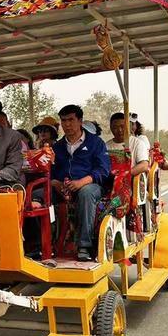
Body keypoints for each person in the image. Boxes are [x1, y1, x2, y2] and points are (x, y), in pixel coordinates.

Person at [50, 104, 111, 262]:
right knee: (37, 195)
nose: (67, 125)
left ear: (80, 121)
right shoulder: (56, 147)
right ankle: (41, 245)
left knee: (85, 193)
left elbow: (103, 170)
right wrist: (55, 183)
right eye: (63, 121)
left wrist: (82, 182)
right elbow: (51, 173)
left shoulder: (96, 143)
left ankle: (84, 245)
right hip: (63, 187)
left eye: (71, 120)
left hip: (91, 185)